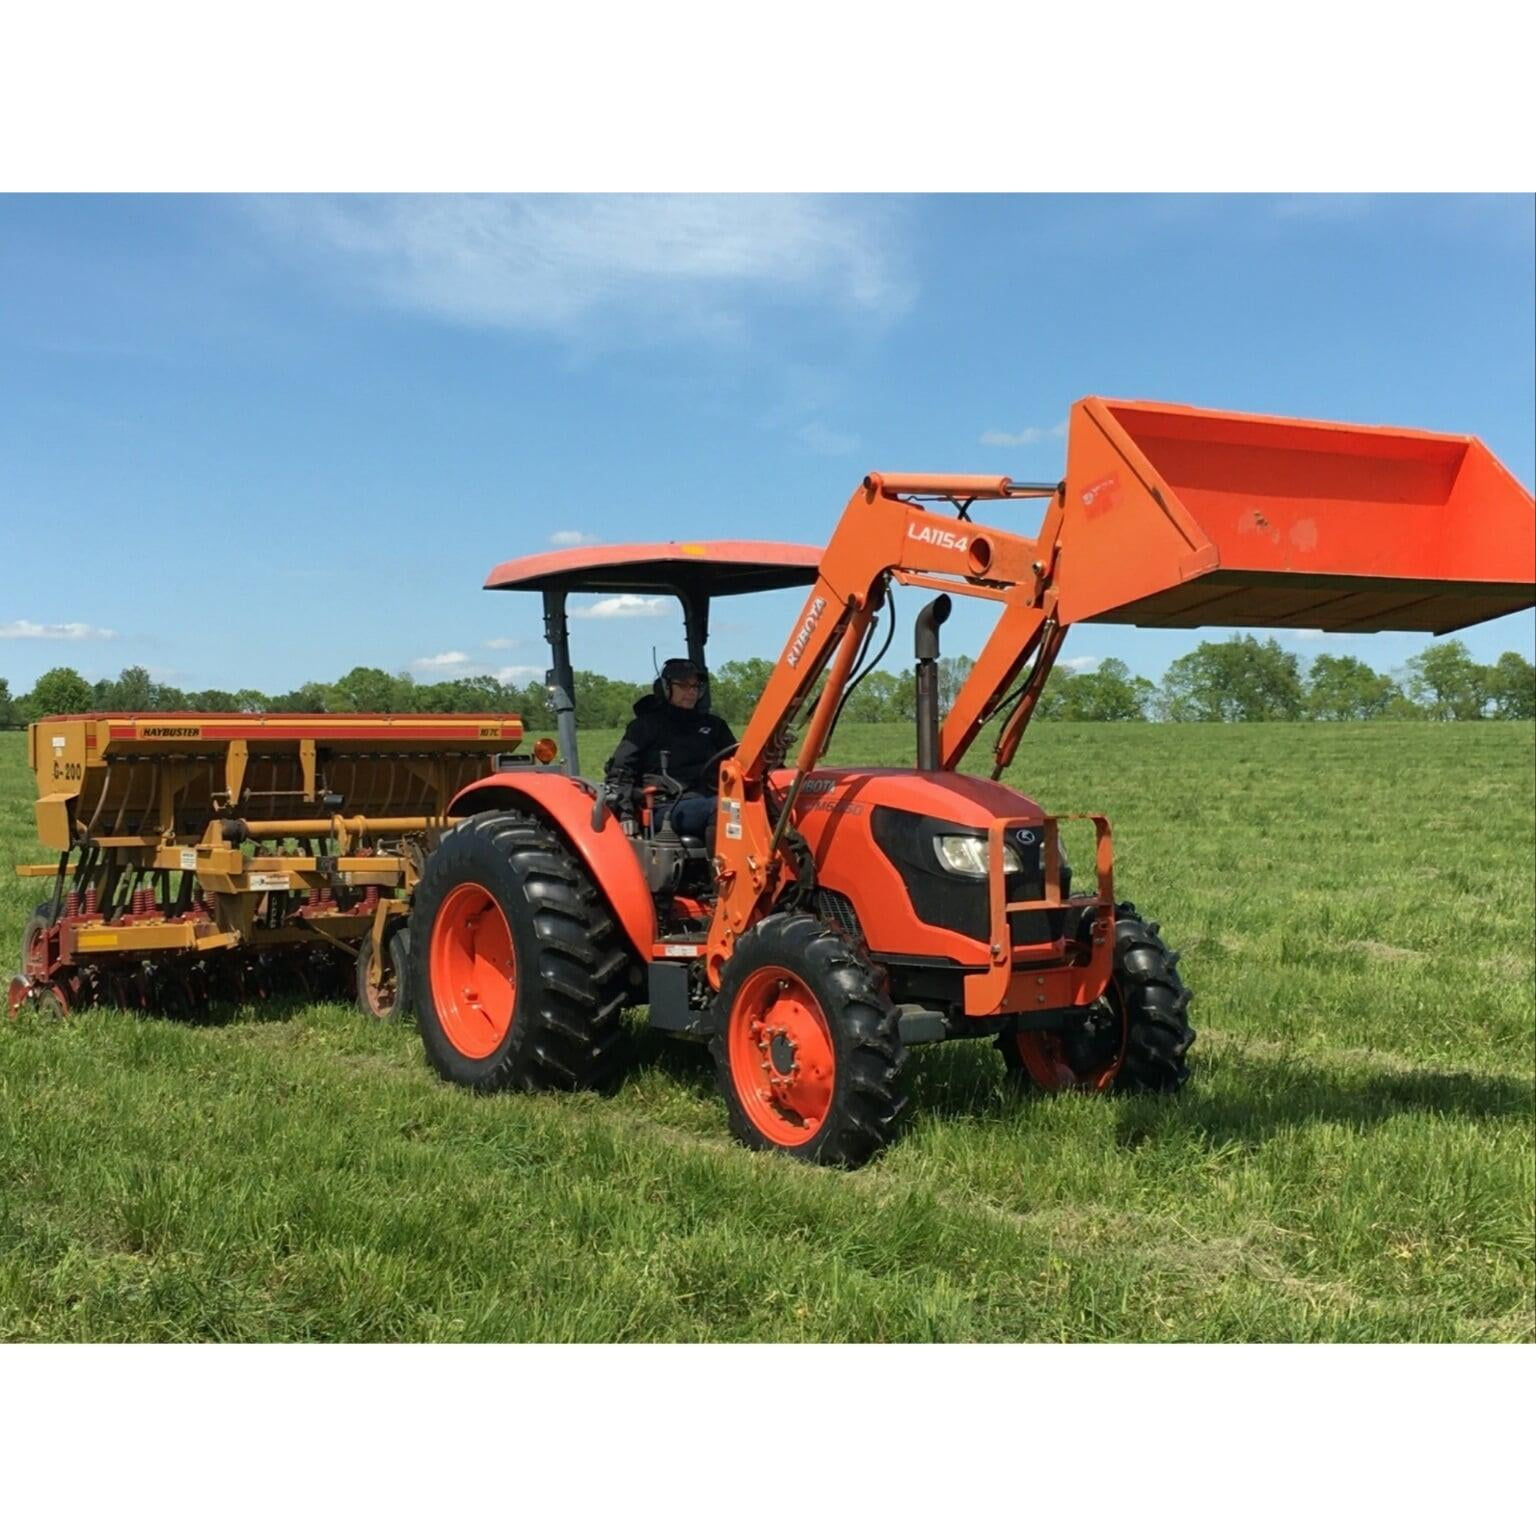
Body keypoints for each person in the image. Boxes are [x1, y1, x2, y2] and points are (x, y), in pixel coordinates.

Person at [604, 658, 737, 842]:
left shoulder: (713, 726)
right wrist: (625, 813)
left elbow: (737, 760)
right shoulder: (646, 727)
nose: (691, 692)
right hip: (667, 805)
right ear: (666, 688)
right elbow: (621, 771)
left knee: (759, 803)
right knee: (725, 808)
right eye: (683, 685)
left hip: (709, 796)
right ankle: (721, 868)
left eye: (695, 686)